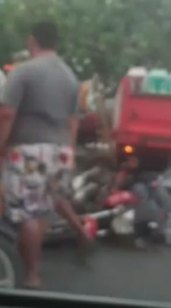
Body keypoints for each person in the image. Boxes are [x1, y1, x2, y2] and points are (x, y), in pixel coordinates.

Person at [0, 22, 92, 289]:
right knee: (42, 210)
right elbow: (74, 120)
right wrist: (68, 152)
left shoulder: (24, 72)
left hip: (29, 149)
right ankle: (35, 262)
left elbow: (6, 114)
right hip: (61, 149)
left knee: (28, 214)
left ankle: (30, 275)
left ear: (32, 41)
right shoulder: (70, 76)